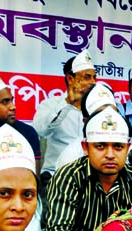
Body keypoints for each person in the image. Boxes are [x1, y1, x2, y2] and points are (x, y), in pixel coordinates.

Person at [44, 107, 132, 231]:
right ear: (86, 147)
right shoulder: (69, 176)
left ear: (128, 148)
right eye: (100, 146)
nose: (110, 154)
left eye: (118, 147)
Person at [33, 50, 96, 180]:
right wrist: (67, 104)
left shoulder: (97, 107)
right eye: (87, 77)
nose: (93, 82)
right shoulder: (50, 104)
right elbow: (41, 131)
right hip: (55, 175)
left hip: (89, 179)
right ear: (70, 78)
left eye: (94, 77)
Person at [0, 66, 41, 171]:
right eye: (5, 102)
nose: (13, 107)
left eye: (11, 100)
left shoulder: (27, 133)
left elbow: (35, 178)